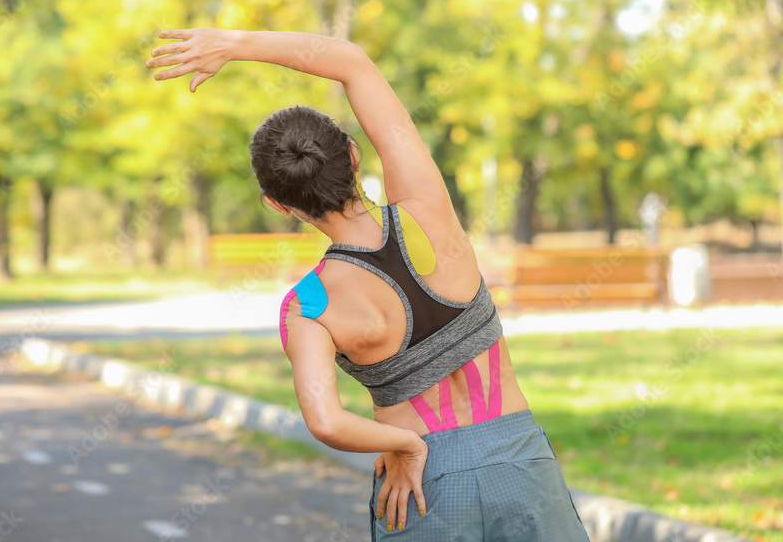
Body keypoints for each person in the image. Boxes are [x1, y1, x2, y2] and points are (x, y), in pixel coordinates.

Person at [147, 27, 590, 541]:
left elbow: (327, 422)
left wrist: (406, 445)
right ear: (354, 156)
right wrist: (233, 43)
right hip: (522, 465)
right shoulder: (430, 213)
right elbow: (352, 62)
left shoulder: (308, 304)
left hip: (423, 486)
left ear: (281, 207)